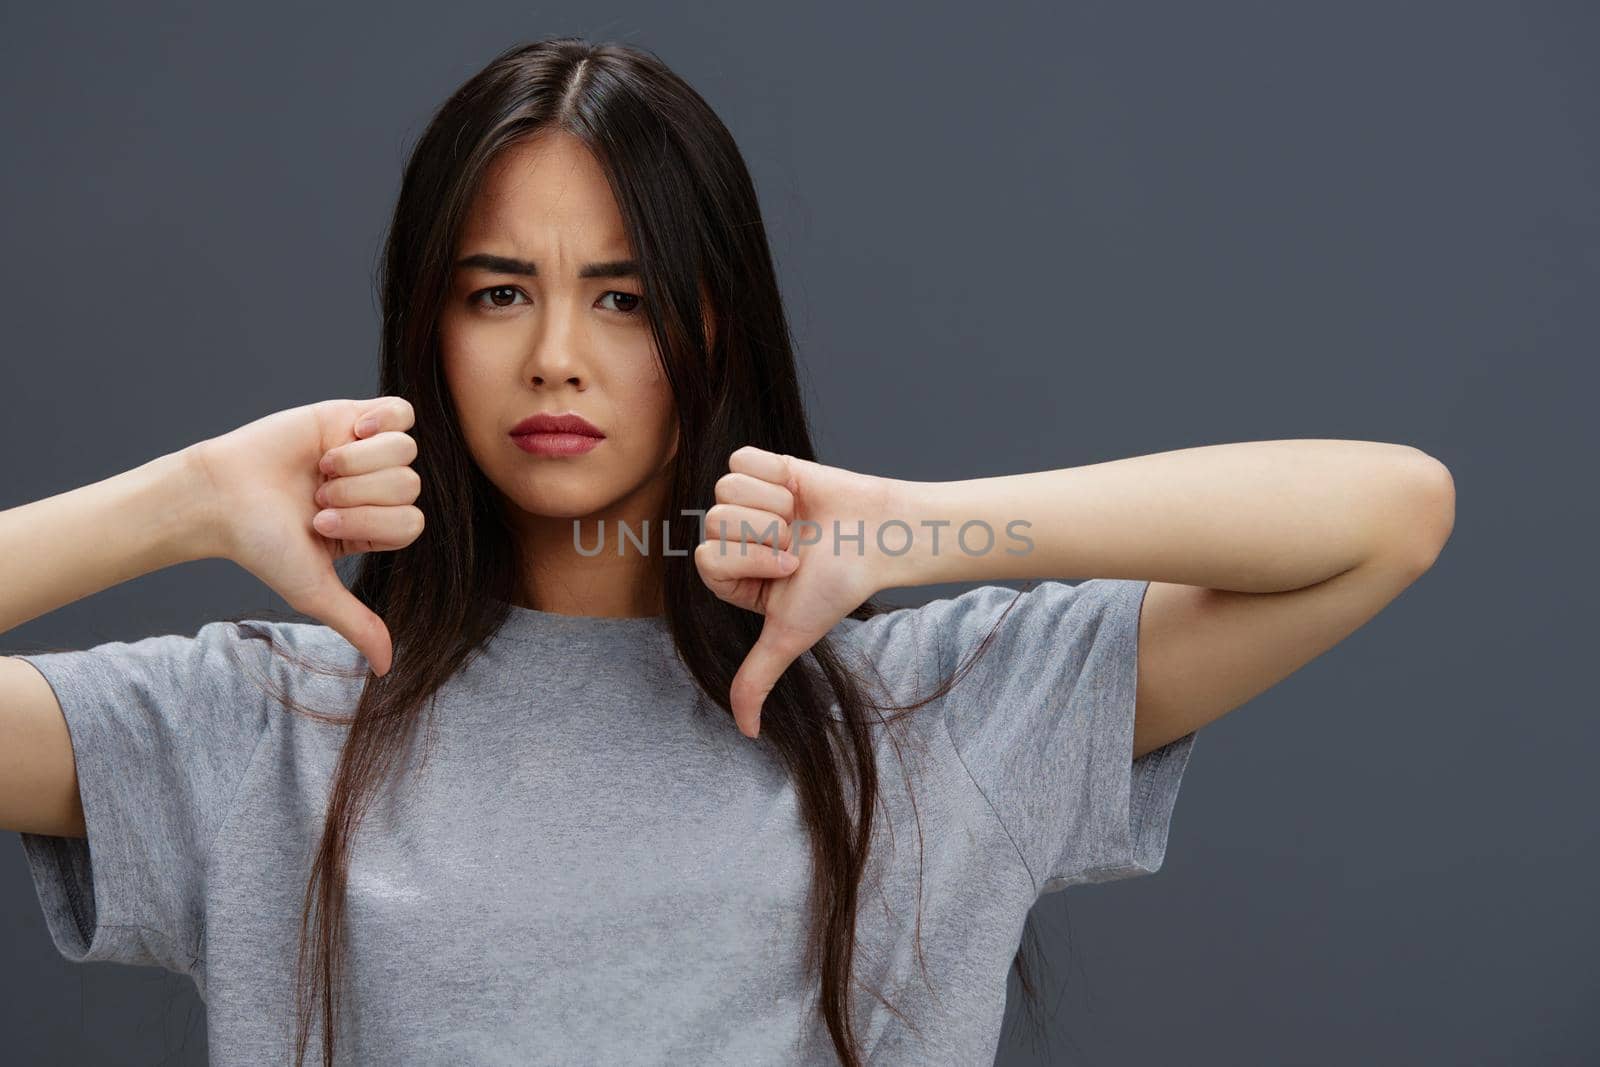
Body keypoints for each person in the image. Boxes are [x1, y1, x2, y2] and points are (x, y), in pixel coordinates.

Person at [0, 36, 1455, 1067]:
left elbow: (1390, 512)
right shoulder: (269, 726)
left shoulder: (927, 714)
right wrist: (183, 500)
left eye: (625, 299)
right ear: (427, 329)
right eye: (499, 292)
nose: (558, 356)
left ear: (717, 326)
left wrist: (920, 530)